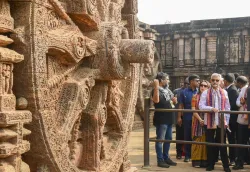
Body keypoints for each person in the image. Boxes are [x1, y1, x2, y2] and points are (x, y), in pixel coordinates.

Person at [199, 73, 231, 172]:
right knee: (210, 144)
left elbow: (227, 108)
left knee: (222, 143)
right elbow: (201, 106)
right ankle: (210, 164)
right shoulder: (205, 93)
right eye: (213, 80)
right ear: (210, 80)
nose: (215, 82)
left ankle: (225, 166)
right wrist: (211, 108)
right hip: (209, 121)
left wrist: (227, 121)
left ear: (220, 81)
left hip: (221, 121)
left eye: (217, 80)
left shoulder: (224, 92)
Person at [152, 72, 177, 168]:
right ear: (161, 80)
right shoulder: (156, 90)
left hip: (169, 118)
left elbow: (172, 102)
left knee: (169, 139)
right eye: (167, 79)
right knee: (160, 140)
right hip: (161, 119)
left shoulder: (168, 90)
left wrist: (174, 101)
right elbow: (156, 100)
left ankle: (166, 157)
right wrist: (156, 87)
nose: (168, 81)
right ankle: (160, 159)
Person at [177, 74, 200, 162]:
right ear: (191, 82)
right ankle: (187, 155)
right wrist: (179, 117)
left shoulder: (200, 91)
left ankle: (196, 155)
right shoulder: (183, 92)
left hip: (198, 117)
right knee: (187, 136)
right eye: (197, 81)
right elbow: (181, 105)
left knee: (197, 137)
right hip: (187, 117)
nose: (198, 82)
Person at [191, 80, 210, 167]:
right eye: (201, 85)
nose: (203, 87)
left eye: (205, 86)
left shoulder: (210, 97)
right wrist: (200, 120)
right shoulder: (195, 96)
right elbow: (193, 110)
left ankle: (205, 161)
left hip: (208, 120)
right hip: (197, 120)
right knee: (197, 140)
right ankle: (196, 161)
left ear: (208, 87)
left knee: (206, 140)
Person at [233, 76, 249, 170]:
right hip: (245, 119)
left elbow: (238, 103)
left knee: (241, 141)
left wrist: (242, 103)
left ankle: (240, 162)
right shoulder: (245, 89)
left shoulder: (244, 89)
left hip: (244, 119)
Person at [223, 73, 239, 165]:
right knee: (230, 138)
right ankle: (232, 158)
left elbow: (232, 105)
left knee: (232, 139)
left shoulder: (232, 90)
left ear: (225, 81)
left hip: (232, 119)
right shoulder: (229, 89)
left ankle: (233, 159)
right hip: (229, 118)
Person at [173, 77, 189, 159]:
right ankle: (178, 152)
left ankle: (187, 152)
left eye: (188, 84)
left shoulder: (193, 91)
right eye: (186, 83)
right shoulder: (177, 91)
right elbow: (175, 104)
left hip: (188, 116)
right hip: (179, 116)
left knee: (188, 135)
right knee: (179, 135)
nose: (186, 85)